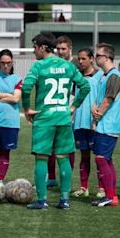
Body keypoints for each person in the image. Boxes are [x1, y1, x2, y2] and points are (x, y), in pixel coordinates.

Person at [22, 32, 90, 210]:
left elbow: (27, 86)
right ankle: (65, 200)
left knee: (42, 158)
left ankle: (42, 200)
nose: (34, 51)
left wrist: (27, 108)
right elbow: (85, 86)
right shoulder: (68, 66)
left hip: (44, 118)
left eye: (35, 47)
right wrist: (73, 106)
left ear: (43, 47)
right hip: (63, 117)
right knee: (63, 157)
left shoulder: (39, 66)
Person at [90, 43, 120, 207]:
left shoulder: (114, 76)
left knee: (101, 159)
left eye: (98, 55)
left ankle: (110, 196)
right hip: (104, 124)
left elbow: (108, 100)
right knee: (106, 160)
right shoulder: (105, 75)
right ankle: (111, 195)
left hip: (109, 124)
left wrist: (97, 117)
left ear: (106, 57)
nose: (95, 57)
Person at [45, 35, 80, 188]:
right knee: (50, 145)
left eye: (63, 49)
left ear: (70, 49)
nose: (60, 52)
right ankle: (51, 178)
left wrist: (73, 107)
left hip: (70, 110)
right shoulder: (53, 64)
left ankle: (67, 179)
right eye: (58, 49)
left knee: (67, 146)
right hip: (53, 109)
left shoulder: (77, 64)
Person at [71, 47, 104, 198]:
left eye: (84, 58)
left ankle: (102, 188)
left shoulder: (100, 76)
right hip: (79, 122)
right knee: (84, 156)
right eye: (79, 59)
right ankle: (84, 187)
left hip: (94, 122)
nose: (81, 61)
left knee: (99, 157)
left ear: (91, 58)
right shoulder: (76, 77)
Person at [0, 49, 22, 182]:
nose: (6, 66)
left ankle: (0, 180)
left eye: (8, 63)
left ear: (12, 62)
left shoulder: (17, 79)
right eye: (3, 63)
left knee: (5, 152)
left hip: (10, 122)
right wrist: (8, 94)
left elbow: (16, 99)